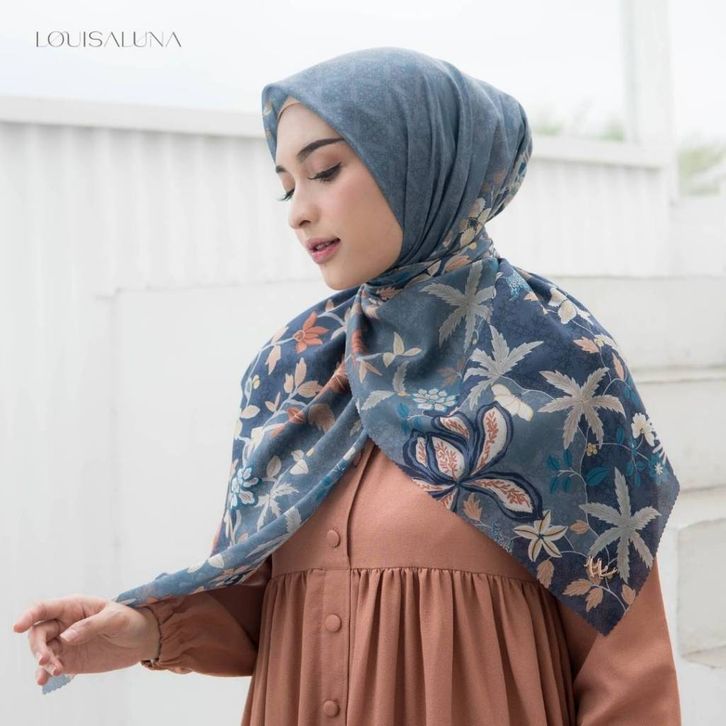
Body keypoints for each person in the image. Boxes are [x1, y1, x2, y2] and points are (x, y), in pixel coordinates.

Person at [14, 47, 681, 724]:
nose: (298, 213)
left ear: (421, 163)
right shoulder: (296, 370)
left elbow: (627, 669)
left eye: (325, 171)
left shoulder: (558, 371)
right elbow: (264, 609)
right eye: (287, 186)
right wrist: (144, 630)